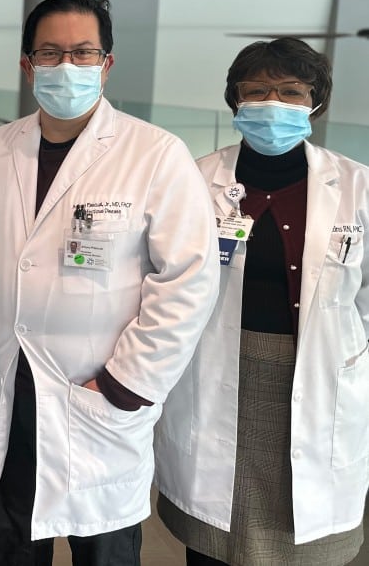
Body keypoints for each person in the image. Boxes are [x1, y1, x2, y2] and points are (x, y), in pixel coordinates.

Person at [0, 0, 220, 566]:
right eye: (51, 53)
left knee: (105, 550)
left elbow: (188, 276)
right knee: (13, 541)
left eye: (84, 53)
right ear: (27, 64)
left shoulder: (155, 154)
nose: (67, 66)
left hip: (99, 389)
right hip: (10, 379)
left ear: (107, 64)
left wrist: (127, 381)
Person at [155, 37, 369, 566]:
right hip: (218, 378)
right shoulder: (195, 181)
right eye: (258, 91)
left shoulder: (358, 187)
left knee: (310, 541)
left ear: (315, 103)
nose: (274, 104)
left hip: (321, 378)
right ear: (234, 101)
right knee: (214, 538)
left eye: (292, 91)